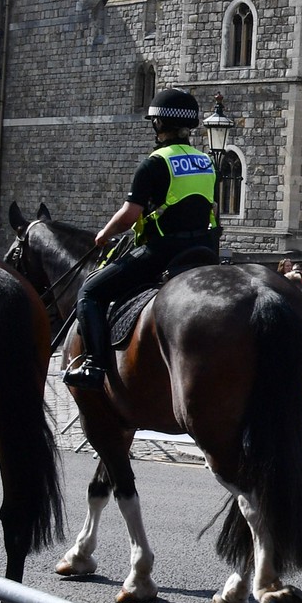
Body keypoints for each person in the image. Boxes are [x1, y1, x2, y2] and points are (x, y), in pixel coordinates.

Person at [63, 88, 220, 389]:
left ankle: (94, 365)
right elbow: (211, 208)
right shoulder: (206, 161)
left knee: (90, 292)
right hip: (204, 249)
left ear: (158, 123)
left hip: (163, 251)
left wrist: (104, 234)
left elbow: (129, 216)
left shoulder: (155, 162)